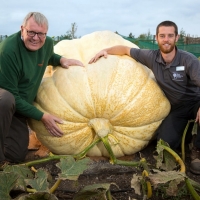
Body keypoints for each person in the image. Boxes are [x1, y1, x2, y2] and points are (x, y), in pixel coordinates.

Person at [89, 20, 200, 174]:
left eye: (170, 36)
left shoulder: (188, 60)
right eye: (162, 36)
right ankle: (189, 136)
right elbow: (126, 50)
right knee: (164, 143)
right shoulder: (151, 57)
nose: (166, 39)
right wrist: (106, 50)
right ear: (157, 38)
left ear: (176, 37)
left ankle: (197, 152)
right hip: (177, 108)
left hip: (196, 101)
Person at [0, 12, 84, 167]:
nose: (35, 38)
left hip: (18, 109)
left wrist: (61, 59)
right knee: (6, 99)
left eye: (41, 34)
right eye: (31, 32)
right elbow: (11, 94)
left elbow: (47, 55)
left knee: (17, 154)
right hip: (4, 101)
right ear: (22, 29)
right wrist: (42, 116)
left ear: (46, 33)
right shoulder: (8, 50)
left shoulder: (47, 43)